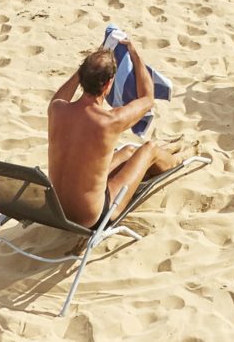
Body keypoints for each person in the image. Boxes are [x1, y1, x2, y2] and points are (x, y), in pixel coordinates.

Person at [47, 36, 181, 227]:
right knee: (149, 148)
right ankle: (179, 160)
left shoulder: (56, 109)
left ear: (82, 78)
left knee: (127, 151)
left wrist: (85, 69)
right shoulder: (109, 121)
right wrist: (135, 55)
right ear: (109, 84)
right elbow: (147, 98)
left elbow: (59, 97)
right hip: (91, 217)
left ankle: (168, 149)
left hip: (57, 210)